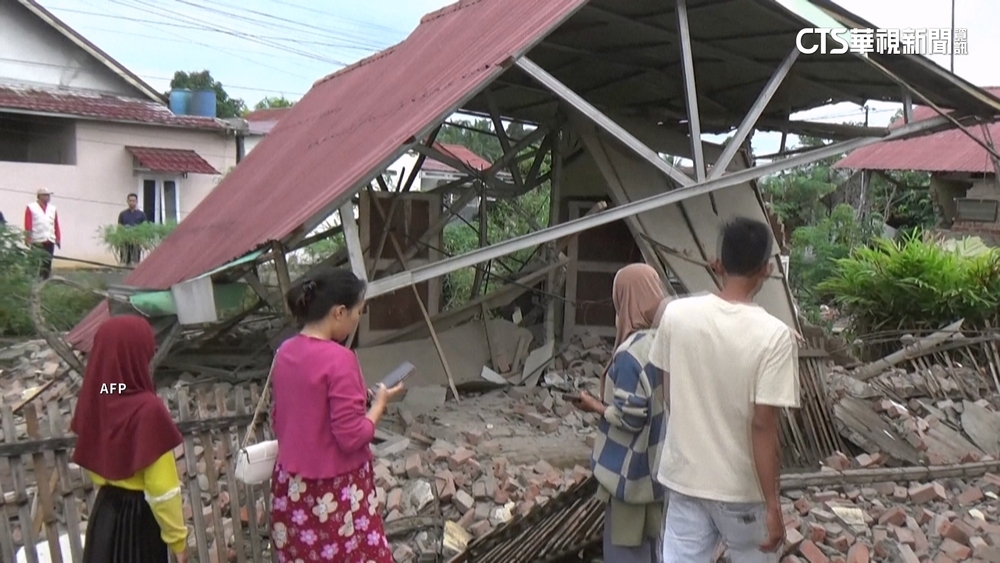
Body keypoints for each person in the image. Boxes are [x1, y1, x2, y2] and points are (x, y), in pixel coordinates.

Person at [650, 217, 800, 563]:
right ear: (766, 270)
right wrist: (773, 505)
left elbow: (669, 395)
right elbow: (763, 425)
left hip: (685, 480)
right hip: (740, 492)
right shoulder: (774, 336)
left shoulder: (676, 316)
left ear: (718, 264)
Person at [270, 267, 404, 562]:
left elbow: (282, 415)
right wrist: (379, 405)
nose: (358, 319)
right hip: (336, 492)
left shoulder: (284, 352)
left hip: (292, 486)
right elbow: (352, 436)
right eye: (358, 312)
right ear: (339, 312)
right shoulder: (340, 359)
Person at [571, 263, 669, 563]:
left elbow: (630, 418)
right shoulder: (666, 341)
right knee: (655, 546)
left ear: (625, 299)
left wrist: (594, 405)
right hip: (659, 469)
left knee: (626, 549)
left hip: (631, 473)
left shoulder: (630, 354)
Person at [70, 315, 189, 563]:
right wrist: (178, 542)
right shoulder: (148, 410)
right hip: (137, 525)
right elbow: (162, 490)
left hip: (103, 517)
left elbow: (114, 388)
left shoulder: (100, 398)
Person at [24, 188, 60, 279]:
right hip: (37, 240)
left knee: (47, 263)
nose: (48, 197)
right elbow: (28, 223)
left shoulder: (52, 208)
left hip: (49, 239)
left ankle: (45, 280)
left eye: (48, 195)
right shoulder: (31, 207)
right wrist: (28, 237)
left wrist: (58, 238)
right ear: (39, 196)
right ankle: (34, 280)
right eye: (45, 195)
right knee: (36, 263)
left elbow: (55, 224)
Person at [117, 193, 147, 266]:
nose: (132, 202)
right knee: (124, 262)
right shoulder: (123, 214)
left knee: (135, 263)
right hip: (125, 242)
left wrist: (143, 241)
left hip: (136, 242)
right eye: (130, 200)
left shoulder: (141, 214)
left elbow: (145, 228)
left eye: (134, 201)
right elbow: (119, 227)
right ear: (127, 201)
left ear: (137, 202)